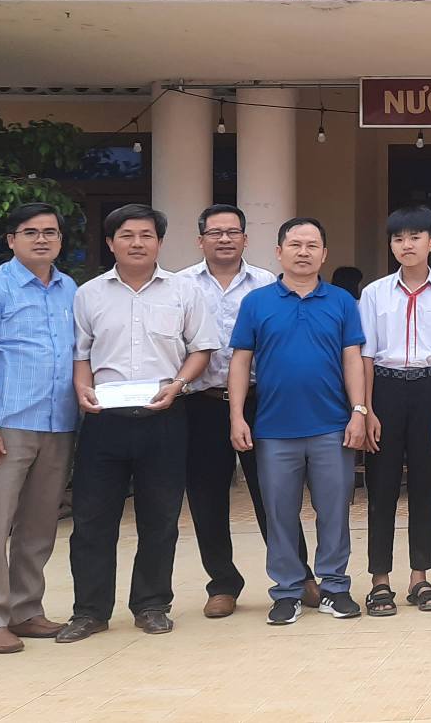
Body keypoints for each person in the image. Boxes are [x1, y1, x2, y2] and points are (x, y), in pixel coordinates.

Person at [62, 204, 218, 642]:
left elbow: (202, 349)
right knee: (92, 520)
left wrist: (179, 385)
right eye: (126, 235)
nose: (137, 243)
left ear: (160, 243)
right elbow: (81, 354)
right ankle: (89, 611)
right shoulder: (89, 294)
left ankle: (151, 605)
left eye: (146, 235)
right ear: (110, 243)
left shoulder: (185, 291)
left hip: (164, 416)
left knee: (160, 518)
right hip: (104, 420)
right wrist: (82, 389)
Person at [228, 217, 373, 625]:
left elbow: (352, 359)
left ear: (324, 254)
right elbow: (240, 361)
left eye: (312, 245)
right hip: (274, 430)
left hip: (332, 426)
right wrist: (236, 416)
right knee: (279, 513)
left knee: (334, 511)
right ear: (279, 252)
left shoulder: (342, 302)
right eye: (295, 244)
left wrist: (358, 411)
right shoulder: (256, 303)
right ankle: (287, 591)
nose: (303, 252)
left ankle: (335, 587)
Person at [0, 203, 79, 655]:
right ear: (11, 240)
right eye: (31, 232)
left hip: (59, 423)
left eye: (50, 232)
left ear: (61, 240)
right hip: (6, 424)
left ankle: (26, 609)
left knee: (40, 524)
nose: (42, 239)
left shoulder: (71, 289)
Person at [176, 204, 304, 620]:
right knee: (207, 496)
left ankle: (299, 575)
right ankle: (223, 584)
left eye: (233, 232)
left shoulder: (268, 283)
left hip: (261, 401)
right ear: (200, 240)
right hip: (202, 401)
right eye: (215, 233)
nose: (225, 239)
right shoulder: (180, 286)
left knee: (276, 493)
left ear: (246, 239)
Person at [358, 206, 431, 615]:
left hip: (430, 390)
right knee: (381, 486)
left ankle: (419, 577)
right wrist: (366, 409)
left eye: (415, 237)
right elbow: (366, 355)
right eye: (398, 238)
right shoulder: (374, 294)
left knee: (425, 486)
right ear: (391, 245)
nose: (407, 245)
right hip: (384, 390)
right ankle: (379, 580)